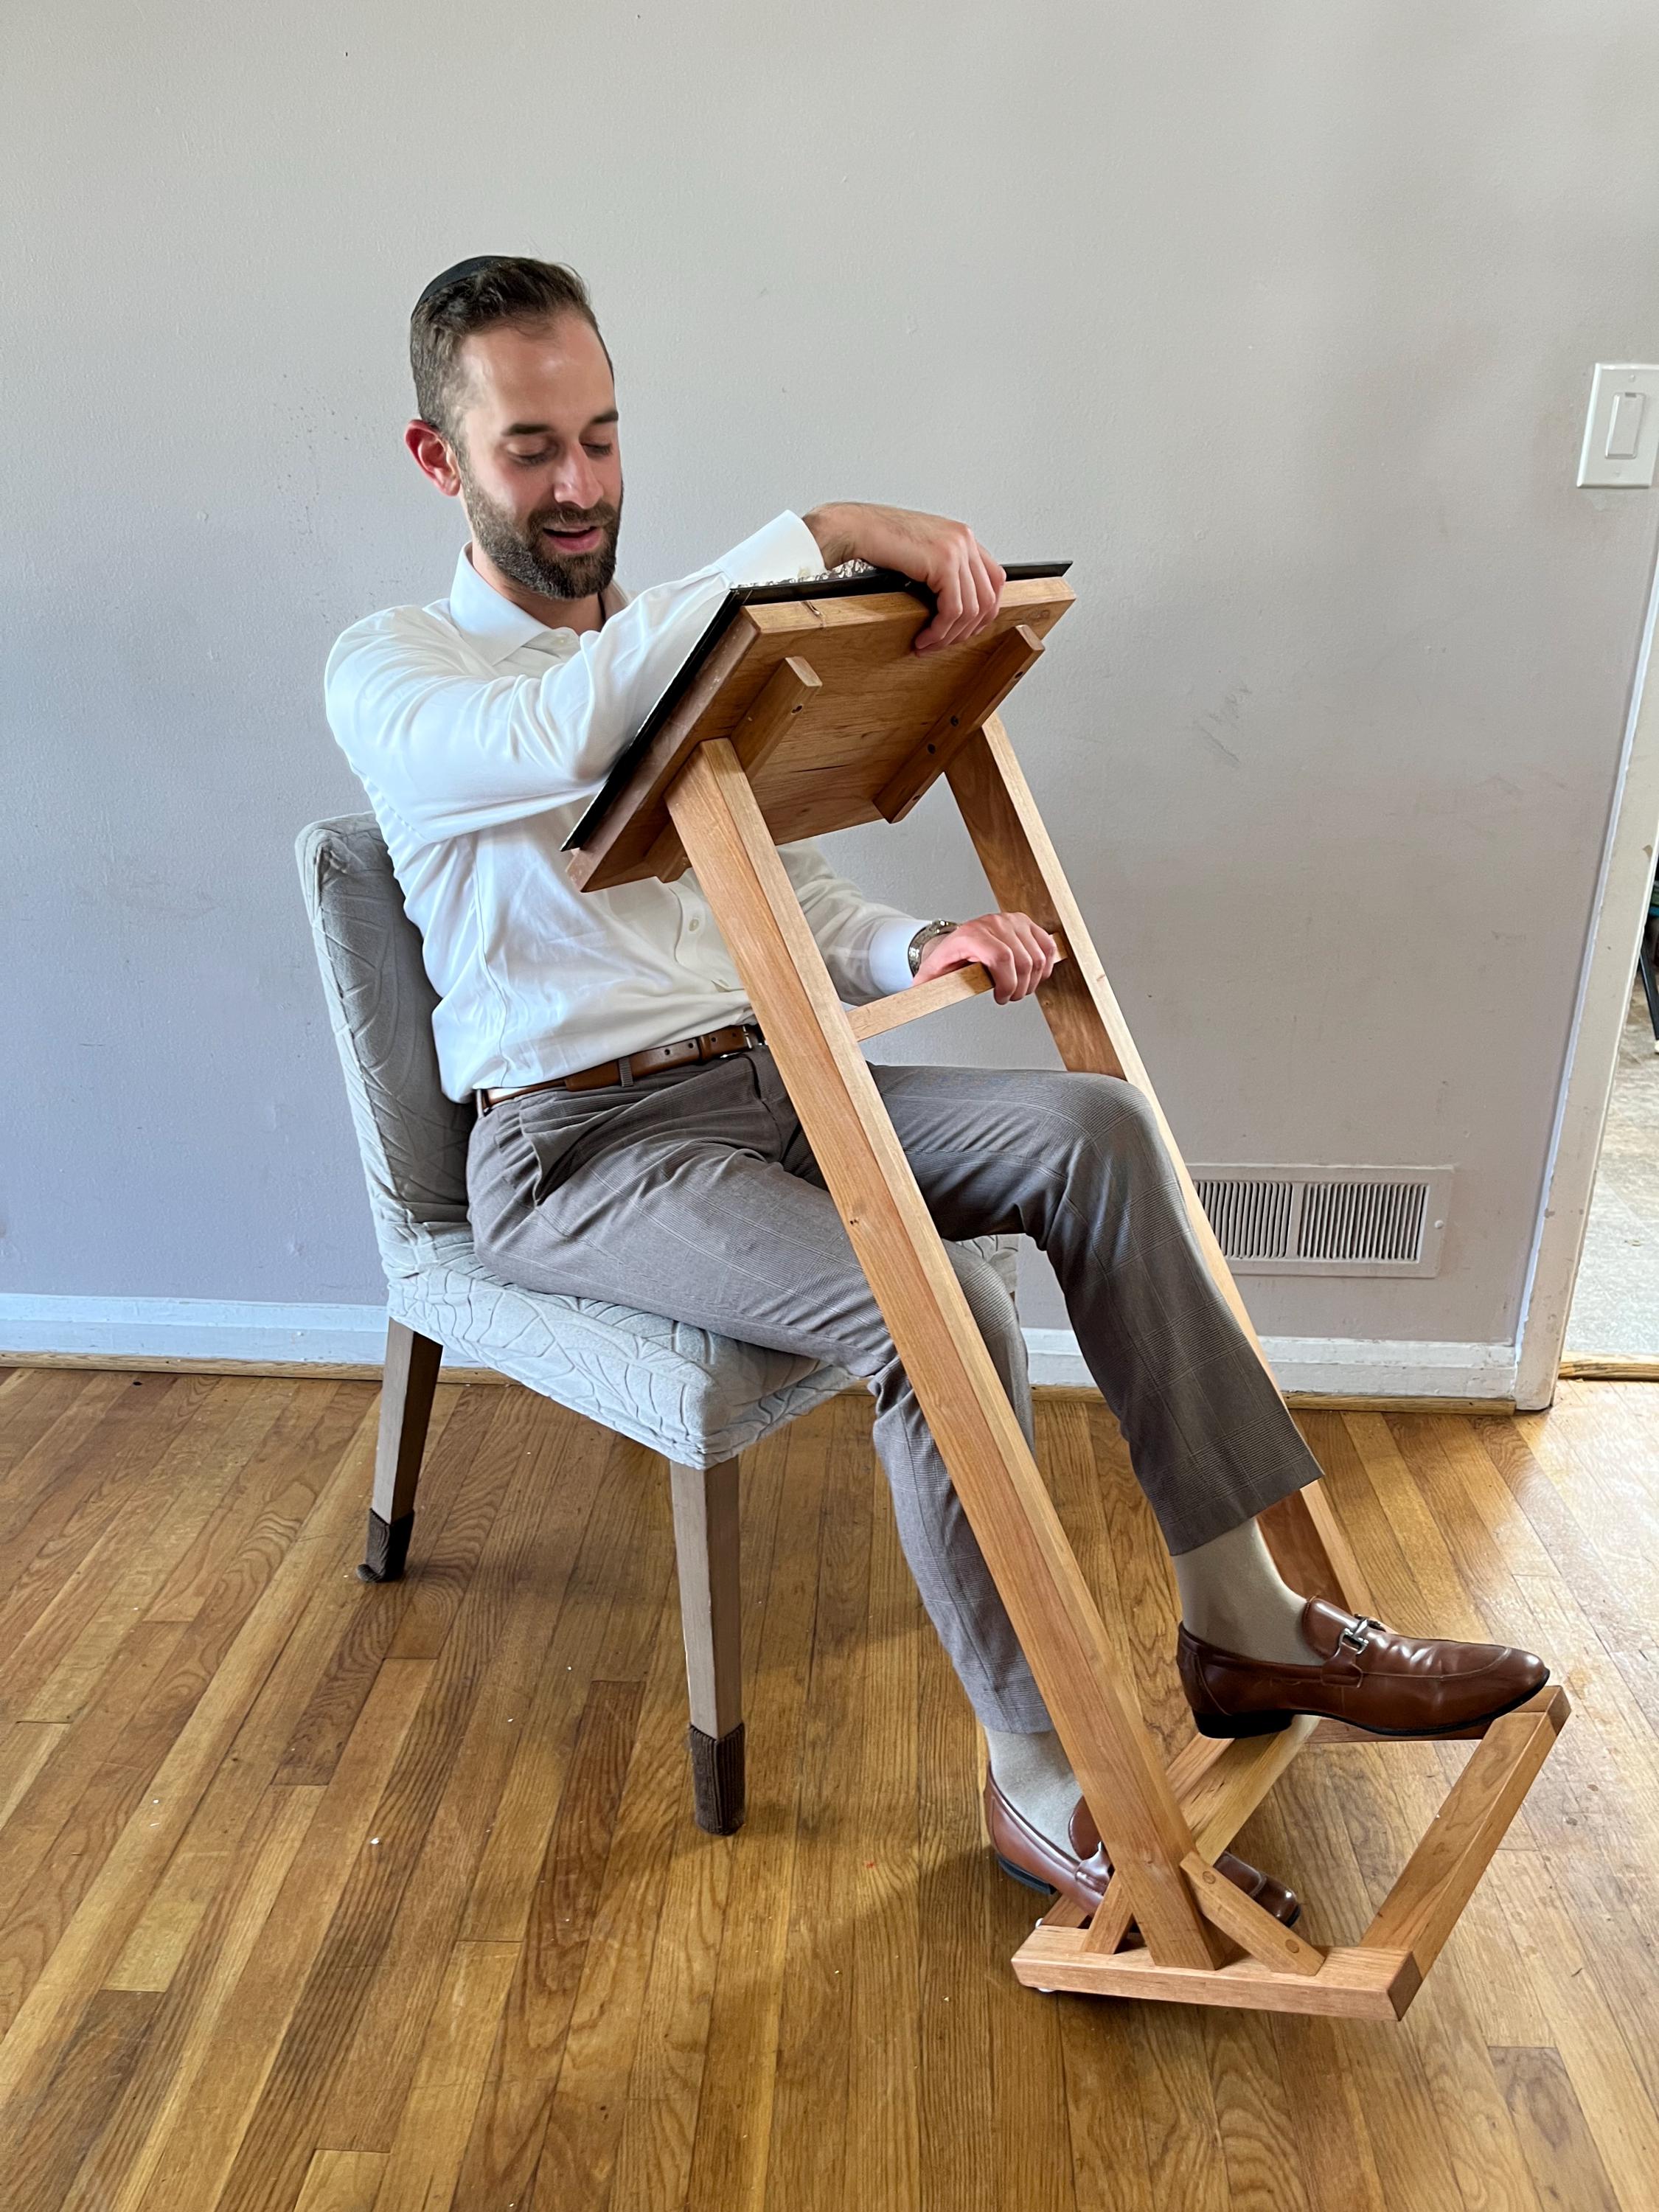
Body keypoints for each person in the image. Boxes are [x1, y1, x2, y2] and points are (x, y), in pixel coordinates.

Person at [325, 254, 1548, 1922]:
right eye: (533, 448)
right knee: (933, 1315)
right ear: (436, 458)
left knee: (1100, 1136)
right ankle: (1045, 1784)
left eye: (602, 438)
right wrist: (815, 528)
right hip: (585, 1152)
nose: (583, 486)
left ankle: (1243, 1621)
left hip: (775, 1081)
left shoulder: (667, 638)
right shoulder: (397, 674)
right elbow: (564, 737)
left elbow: (783, 891)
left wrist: (916, 945)